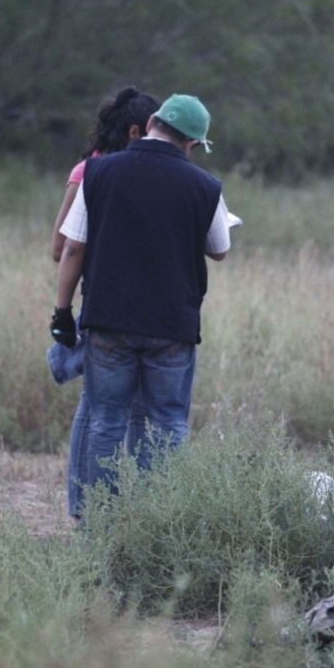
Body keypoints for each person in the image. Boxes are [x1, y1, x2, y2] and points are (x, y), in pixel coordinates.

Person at [49, 93, 231, 496]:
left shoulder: (97, 173)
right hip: (171, 327)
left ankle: (99, 524)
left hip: (108, 320)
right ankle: (155, 525)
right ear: (192, 144)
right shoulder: (205, 186)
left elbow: (72, 248)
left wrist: (62, 313)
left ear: (150, 124)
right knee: (167, 425)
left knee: (105, 422)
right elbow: (219, 249)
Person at [47, 87, 162, 524]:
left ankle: (120, 507)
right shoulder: (90, 171)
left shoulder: (145, 172)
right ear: (136, 131)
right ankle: (83, 506)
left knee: (126, 409)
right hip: (103, 300)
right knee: (96, 408)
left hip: (131, 302)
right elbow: (61, 246)